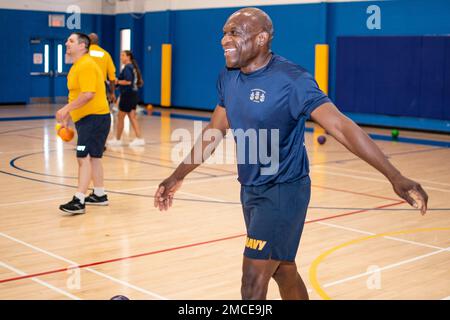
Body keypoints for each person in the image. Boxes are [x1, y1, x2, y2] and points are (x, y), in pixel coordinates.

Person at [153, 8, 428, 300]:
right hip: (251, 189)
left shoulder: (292, 80)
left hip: (285, 192)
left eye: (233, 33)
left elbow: (342, 127)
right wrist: (176, 177)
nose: (223, 40)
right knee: (283, 269)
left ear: (261, 39)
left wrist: (394, 175)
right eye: (223, 33)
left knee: (252, 282)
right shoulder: (228, 77)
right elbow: (214, 131)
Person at [56, 32, 111, 215]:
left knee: (83, 157)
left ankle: (79, 200)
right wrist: (69, 117)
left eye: (70, 41)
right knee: (94, 157)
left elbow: (88, 94)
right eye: (67, 40)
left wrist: (65, 109)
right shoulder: (77, 66)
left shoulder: (86, 65)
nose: (67, 43)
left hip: (94, 119)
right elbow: (77, 95)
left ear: (82, 46)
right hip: (90, 119)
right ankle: (99, 194)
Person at [107, 50, 145, 147]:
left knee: (120, 117)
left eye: (123, 55)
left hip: (127, 95)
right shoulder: (133, 67)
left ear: (128, 57)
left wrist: (117, 81)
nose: (121, 57)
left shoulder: (128, 68)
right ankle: (139, 138)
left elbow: (128, 82)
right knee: (132, 117)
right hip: (133, 94)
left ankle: (118, 140)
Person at [88, 33, 117, 104]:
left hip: (86, 85)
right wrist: (112, 93)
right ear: (97, 42)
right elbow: (112, 76)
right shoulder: (105, 54)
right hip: (101, 86)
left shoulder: (84, 53)